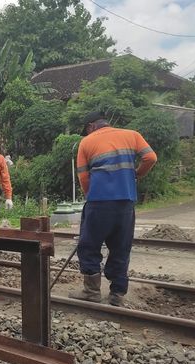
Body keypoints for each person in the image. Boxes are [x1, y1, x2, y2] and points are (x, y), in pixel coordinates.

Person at [70, 111, 157, 307]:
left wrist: (89, 196)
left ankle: (91, 291)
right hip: (126, 202)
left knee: (88, 245)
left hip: (99, 202)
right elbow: (150, 158)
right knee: (120, 247)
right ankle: (117, 293)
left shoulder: (87, 142)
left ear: (91, 126)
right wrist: (137, 175)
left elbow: (83, 177)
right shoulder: (132, 135)